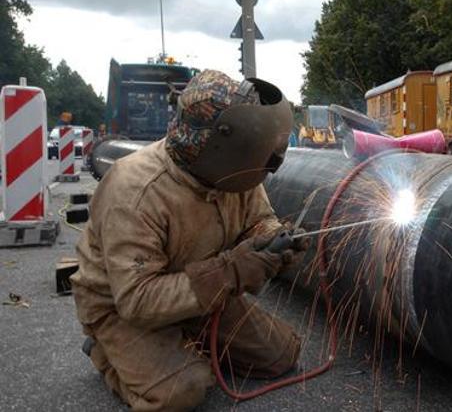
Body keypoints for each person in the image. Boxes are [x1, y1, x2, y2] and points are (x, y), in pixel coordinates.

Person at [70, 70, 309, 411]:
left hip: (201, 293)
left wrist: (274, 241)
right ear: (221, 147)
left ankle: (183, 341)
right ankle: (104, 352)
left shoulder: (235, 171)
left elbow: (259, 220)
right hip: (121, 308)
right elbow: (137, 301)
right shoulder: (136, 192)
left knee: (282, 355)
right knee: (183, 390)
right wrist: (231, 272)